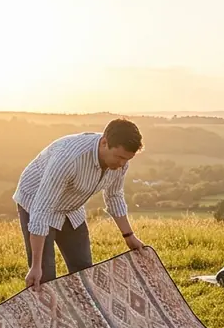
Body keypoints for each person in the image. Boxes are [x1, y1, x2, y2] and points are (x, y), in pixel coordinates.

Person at [14, 118, 146, 289]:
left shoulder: (120, 163)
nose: (122, 164)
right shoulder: (68, 158)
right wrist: (35, 266)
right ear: (104, 143)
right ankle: (48, 313)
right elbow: (41, 210)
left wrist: (129, 236)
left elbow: (114, 196)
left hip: (71, 205)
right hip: (36, 200)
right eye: (119, 157)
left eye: (127, 159)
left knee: (83, 268)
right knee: (44, 276)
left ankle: (84, 312)